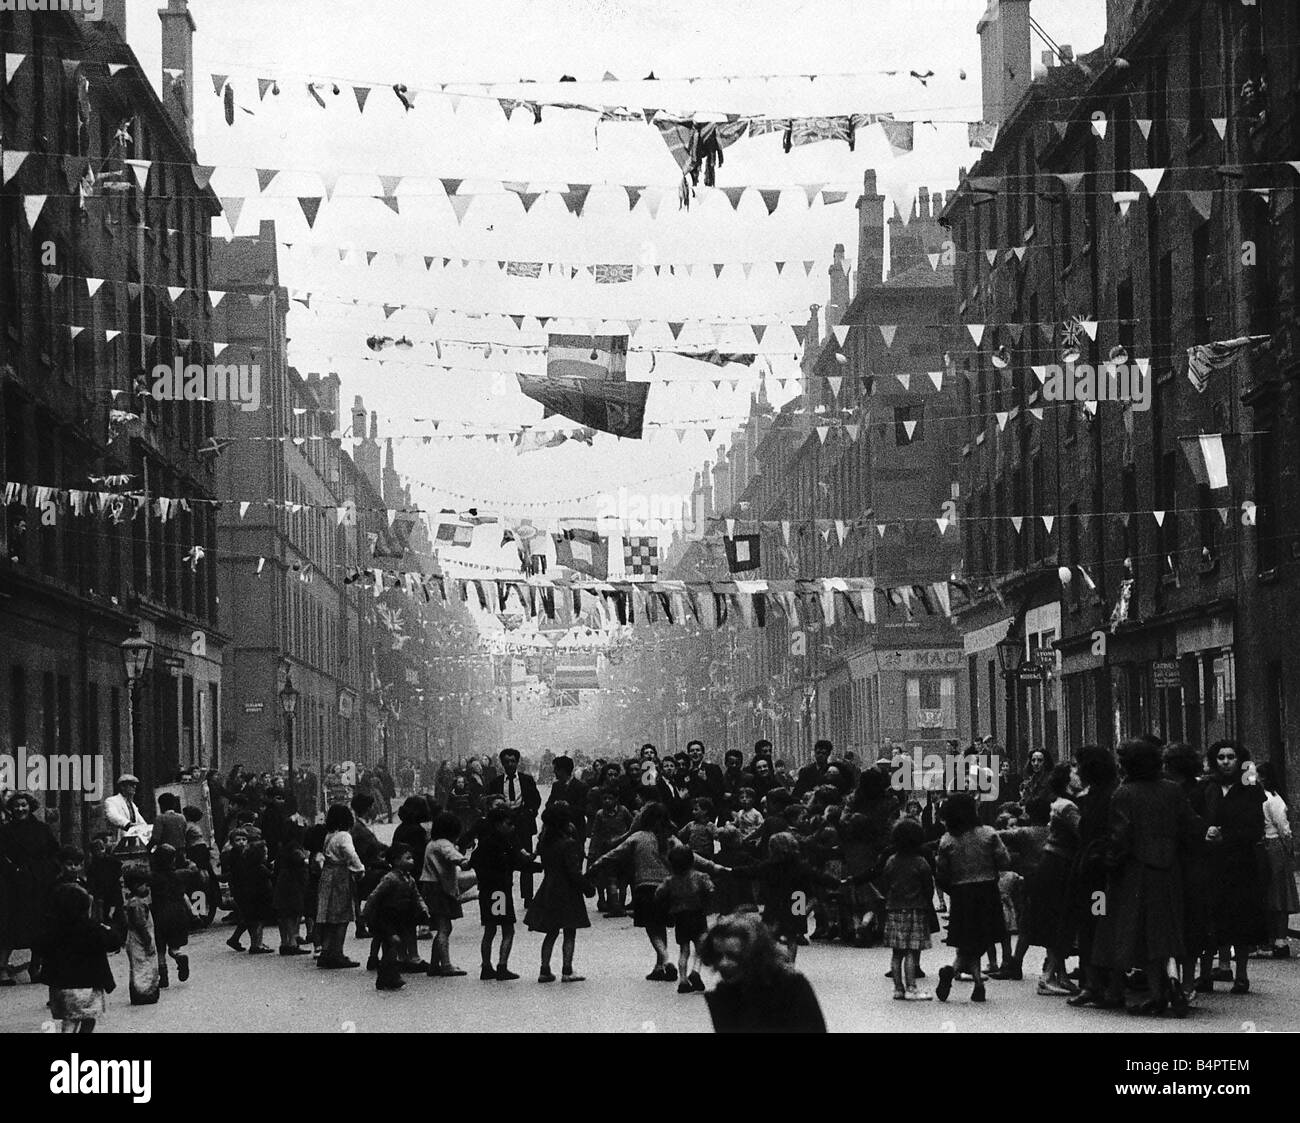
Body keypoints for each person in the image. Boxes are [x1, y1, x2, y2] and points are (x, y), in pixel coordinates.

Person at [1087, 738, 1193, 1017]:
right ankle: (1165, 988)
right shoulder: (1173, 790)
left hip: (1134, 871)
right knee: (1163, 931)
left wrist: (1108, 861)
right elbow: (1189, 826)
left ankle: (1117, 990)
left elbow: (1120, 835)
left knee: (1125, 930)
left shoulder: (1124, 793)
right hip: (1169, 870)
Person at [1191, 741, 1267, 994]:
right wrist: (1205, 832)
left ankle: (1242, 976)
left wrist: (1230, 836)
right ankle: (1205, 974)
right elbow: (1193, 818)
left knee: (1241, 920)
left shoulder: (1250, 789)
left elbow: (1256, 827)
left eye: (1231, 757)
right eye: (1221, 757)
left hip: (1240, 863)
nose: (1225, 762)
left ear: (1239, 760)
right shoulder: (1204, 787)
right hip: (1209, 862)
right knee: (1208, 918)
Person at [934, 793, 1010, 1003]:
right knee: (981, 939)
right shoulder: (988, 834)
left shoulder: (947, 839)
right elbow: (1004, 860)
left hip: (961, 893)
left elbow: (941, 872)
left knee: (968, 939)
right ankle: (968, 977)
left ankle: (973, 981)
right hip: (986, 890)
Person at [589, 802, 678, 980]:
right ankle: (659, 966)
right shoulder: (670, 839)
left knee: (651, 928)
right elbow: (689, 855)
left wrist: (596, 864)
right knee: (659, 925)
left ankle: (666, 958)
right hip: (667, 888)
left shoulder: (638, 837)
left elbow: (615, 852)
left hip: (645, 887)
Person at [701, 911, 826, 1033]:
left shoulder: (792, 987)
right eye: (718, 956)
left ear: (754, 955)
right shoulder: (723, 996)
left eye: (733, 955)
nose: (723, 963)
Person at [1020, 762, 1080, 996]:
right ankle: (1048, 977)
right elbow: (1082, 830)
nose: (1078, 775)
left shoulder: (1060, 803)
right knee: (1060, 920)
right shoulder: (1067, 806)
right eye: (1074, 772)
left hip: (1052, 864)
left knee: (1056, 919)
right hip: (1060, 865)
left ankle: (1060, 975)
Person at [470, 802, 540, 981]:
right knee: (507, 929)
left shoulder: (485, 843)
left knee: (490, 929)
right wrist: (537, 867)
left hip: (487, 891)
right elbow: (517, 863)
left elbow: (473, 861)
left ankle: (486, 966)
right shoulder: (503, 844)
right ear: (498, 824)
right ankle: (502, 966)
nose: (512, 827)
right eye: (509, 824)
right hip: (499, 892)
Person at [38, 880, 116, 1033]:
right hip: (87, 985)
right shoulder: (92, 928)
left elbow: (40, 946)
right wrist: (107, 927)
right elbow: (114, 942)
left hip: (61, 986)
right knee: (88, 1017)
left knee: (69, 1019)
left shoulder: (54, 929)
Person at [524, 806, 590, 983]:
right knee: (569, 930)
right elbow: (573, 871)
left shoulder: (545, 843)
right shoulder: (568, 844)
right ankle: (567, 970)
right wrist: (587, 887)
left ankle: (544, 969)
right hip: (568, 890)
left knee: (551, 931)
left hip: (549, 888)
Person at [0, 792, 60, 986]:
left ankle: (36, 967)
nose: (20, 809)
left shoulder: (42, 829)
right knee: (9, 926)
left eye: (23, 805)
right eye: (16, 806)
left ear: (30, 806)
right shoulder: (5, 831)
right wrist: (13, 870)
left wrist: (49, 871)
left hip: (39, 884)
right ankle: (1, 969)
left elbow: (55, 852)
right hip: (13, 885)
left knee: (40, 925)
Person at [880, 817, 935, 1000]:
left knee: (897, 953)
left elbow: (885, 883)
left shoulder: (891, 861)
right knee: (912, 950)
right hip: (916, 908)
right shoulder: (920, 862)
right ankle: (912, 986)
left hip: (894, 908)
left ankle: (898, 988)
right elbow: (928, 886)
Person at [363, 844, 429, 991]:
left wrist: (423, 908)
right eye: (408, 858)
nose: (412, 861)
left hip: (401, 917)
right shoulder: (390, 878)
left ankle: (387, 976)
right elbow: (375, 896)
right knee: (391, 945)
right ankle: (390, 976)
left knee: (392, 947)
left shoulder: (409, 879)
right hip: (387, 918)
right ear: (397, 860)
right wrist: (366, 913)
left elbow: (416, 895)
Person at [485, 749, 542, 906]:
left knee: (526, 860)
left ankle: (528, 897)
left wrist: (529, 813)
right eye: (507, 761)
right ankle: (503, 899)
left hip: (523, 825)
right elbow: (489, 804)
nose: (510, 764)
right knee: (502, 863)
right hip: (502, 828)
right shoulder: (495, 783)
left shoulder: (526, 780)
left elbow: (535, 800)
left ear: (517, 763)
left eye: (513, 761)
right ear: (502, 763)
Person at [655, 845, 713, 994]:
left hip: (681, 917)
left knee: (684, 950)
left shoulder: (670, 881)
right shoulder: (700, 877)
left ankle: (682, 980)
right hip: (697, 915)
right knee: (700, 947)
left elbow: (659, 893)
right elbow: (711, 889)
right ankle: (695, 971)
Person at [421, 811, 472, 977]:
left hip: (430, 887)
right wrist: (465, 861)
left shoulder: (431, 843)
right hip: (439, 889)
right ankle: (446, 965)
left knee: (441, 927)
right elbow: (453, 856)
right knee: (445, 928)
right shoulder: (443, 844)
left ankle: (435, 964)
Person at [1256, 762, 1298, 958]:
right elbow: (1284, 827)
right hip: (1274, 845)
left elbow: (1282, 826)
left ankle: (1273, 938)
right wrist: (1289, 846)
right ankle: (1278, 940)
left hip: (1266, 844)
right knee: (1280, 891)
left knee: (1273, 892)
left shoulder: (1267, 798)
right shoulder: (1273, 799)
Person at [316, 804, 364, 969]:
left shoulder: (329, 835)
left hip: (327, 875)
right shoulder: (344, 836)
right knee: (342, 915)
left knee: (329, 916)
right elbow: (351, 853)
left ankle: (326, 951)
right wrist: (359, 869)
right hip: (340, 876)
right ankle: (337, 953)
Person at [148, 845, 192, 987]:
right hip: (178, 914)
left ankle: (164, 977)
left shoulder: (153, 878)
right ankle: (179, 957)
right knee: (174, 947)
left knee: (160, 949)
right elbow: (185, 895)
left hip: (160, 914)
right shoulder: (179, 875)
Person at [588, 789, 632, 916]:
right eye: (604, 799)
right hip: (606, 849)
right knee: (608, 877)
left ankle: (621, 904)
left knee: (623, 879)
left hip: (622, 850)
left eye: (610, 798)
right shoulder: (600, 814)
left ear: (616, 799)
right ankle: (609, 903)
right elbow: (595, 833)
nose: (607, 801)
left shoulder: (623, 811)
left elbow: (632, 826)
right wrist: (593, 849)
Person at [121, 870, 159, 1005]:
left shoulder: (131, 901)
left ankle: (139, 993)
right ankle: (145, 993)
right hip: (139, 939)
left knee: (137, 966)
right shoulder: (137, 904)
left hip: (133, 939)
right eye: (144, 885)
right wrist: (147, 941)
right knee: (143, 966)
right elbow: (140, 925)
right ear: (136, 885)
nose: (147, 888)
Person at [274, 822, 311, 956]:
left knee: (284, 915)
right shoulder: (295, 848)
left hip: (283, 883)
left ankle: (285, 942)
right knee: (292, 914)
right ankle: (292, 943)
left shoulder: (283, 848)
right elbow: (301, 861)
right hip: (293, 884)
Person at [547, 756, 589, 841]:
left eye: (556, 769)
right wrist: (555, 805)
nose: (554, 772)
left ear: (563, 770)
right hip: (558, 832)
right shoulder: (556, 786)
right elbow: (548, 805)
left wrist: (567, 806)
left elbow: (582, 810)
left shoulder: (581, 787)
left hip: (576, 832)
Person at [103, 775, 146, 847]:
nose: (134, 787)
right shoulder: (111, 801)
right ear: (122, 787)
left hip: (132, 844)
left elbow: (141, 821)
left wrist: (146, 828)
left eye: (135, 785)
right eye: (131, 784)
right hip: (118, 843)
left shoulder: (132, 805)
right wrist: (128, 824)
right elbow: (113, 816)